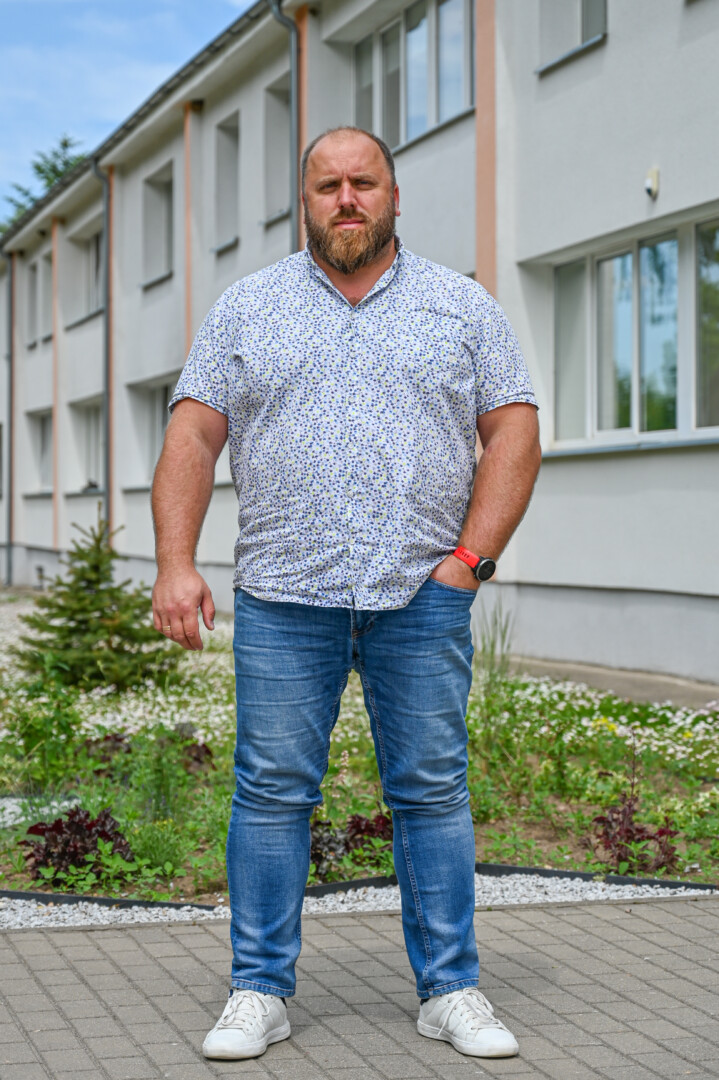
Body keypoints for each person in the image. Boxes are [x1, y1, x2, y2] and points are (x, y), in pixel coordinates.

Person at [151, 126, 540, 1063]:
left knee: (431, 791)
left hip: (421, 596)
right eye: (327, 185)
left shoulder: (461, 306)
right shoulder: (247, 309)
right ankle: (258, 991)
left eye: (363, 182)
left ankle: (450, 990)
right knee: (272, 793)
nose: (347, 199)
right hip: (284, 597)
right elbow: (193, 437)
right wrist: (174, 562)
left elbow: (515, 433)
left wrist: (469, 562)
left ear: (394, 195)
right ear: (305, 202)